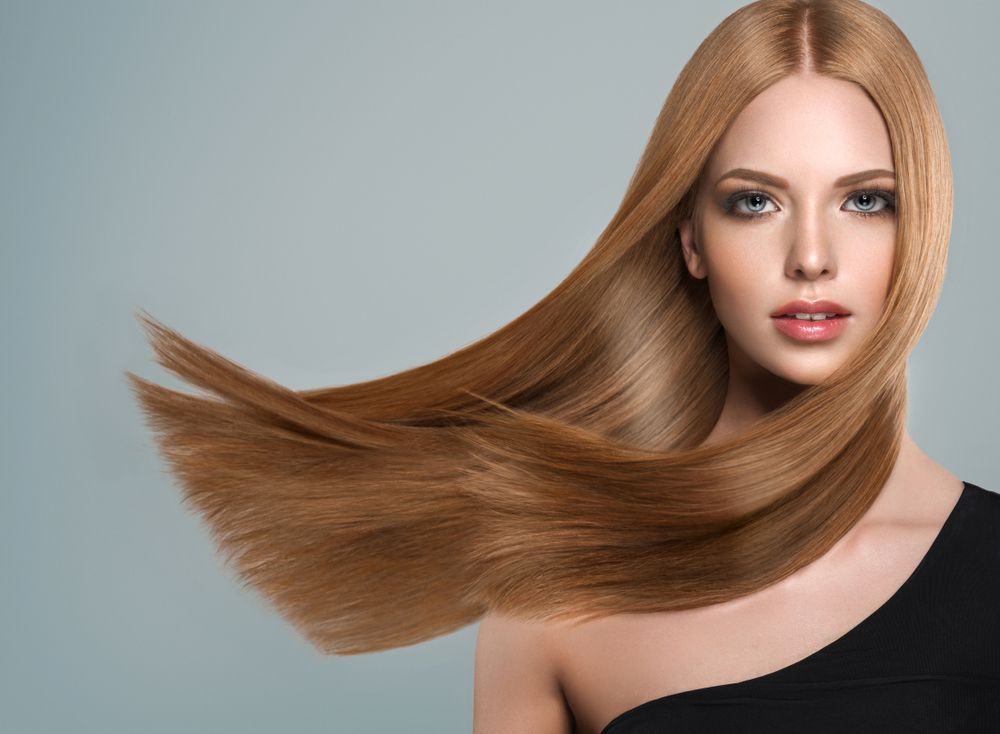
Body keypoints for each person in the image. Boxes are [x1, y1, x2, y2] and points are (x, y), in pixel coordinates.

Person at [125, 1, 998, 732]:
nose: (813, 254)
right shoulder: (553, 606)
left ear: (920, 225)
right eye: (755, 202)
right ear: (692, 239)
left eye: (866, 200)